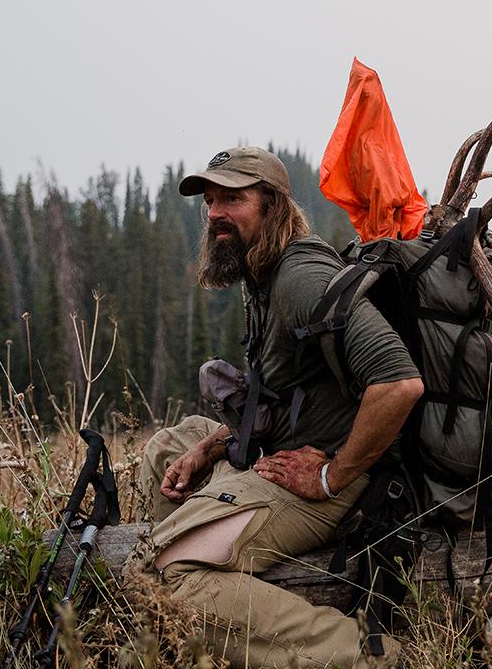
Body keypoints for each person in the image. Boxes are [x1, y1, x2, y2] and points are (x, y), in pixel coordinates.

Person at [139, 146, 423, 668]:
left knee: (172, 569)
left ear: (271, 205)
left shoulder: (301, 278)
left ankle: (370, 658)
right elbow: (282, 398)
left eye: (233, 199)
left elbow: (400, 383)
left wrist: (332, 476)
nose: (215, 213)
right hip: (287, 452)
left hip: (338, 481)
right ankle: (215, 611)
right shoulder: (262, 273)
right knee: (169, 447)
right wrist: (212, 446)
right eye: (210, 200)